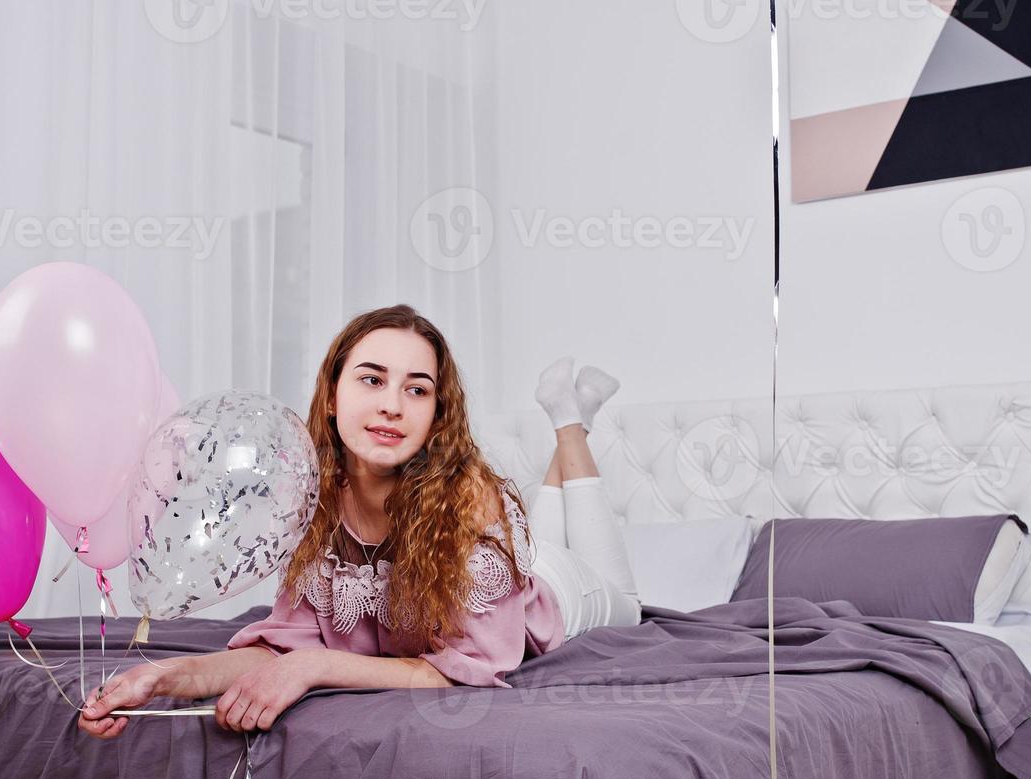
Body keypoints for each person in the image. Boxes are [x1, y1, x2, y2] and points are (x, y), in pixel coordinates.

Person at [79, 304, 640, 739]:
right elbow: (280, 650)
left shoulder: (469, 499)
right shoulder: (310, 502)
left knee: (626, 600)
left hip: (564, 593)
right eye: (372, 380)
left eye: (416, 390)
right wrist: (166, 677)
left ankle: (570, 424)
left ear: (434, 416)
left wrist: (317, 667)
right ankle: (573, 417)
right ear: (332, 396)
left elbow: (462, 669)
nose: (393, 405)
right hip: (517, 556)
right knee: (533, 538)